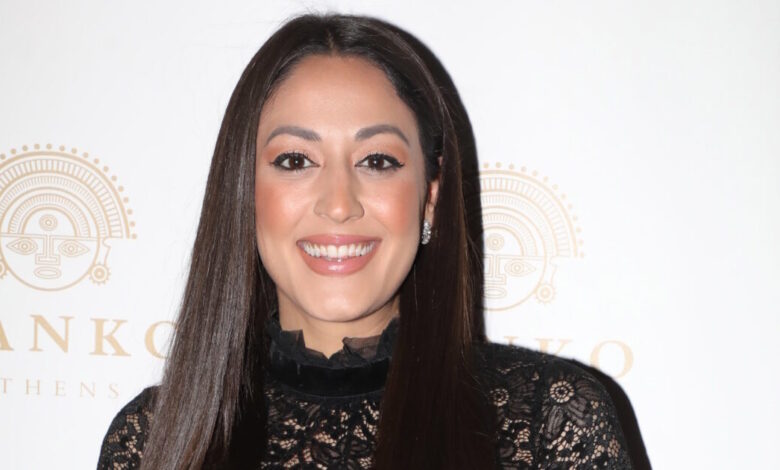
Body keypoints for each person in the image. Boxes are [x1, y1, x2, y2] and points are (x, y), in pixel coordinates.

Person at [97, 13, 633, 469]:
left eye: (377, 161)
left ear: (430, 196)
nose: (338, 203)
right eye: (295, 160)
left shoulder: (548, 423)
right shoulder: (148, 442)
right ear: (244, 191)